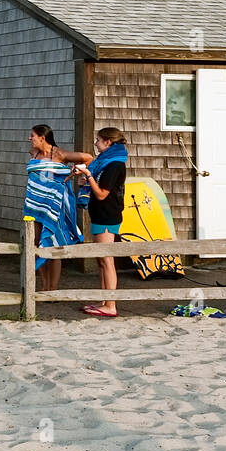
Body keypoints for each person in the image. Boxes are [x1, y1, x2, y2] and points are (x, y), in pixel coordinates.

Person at [62, 128, 129, 317]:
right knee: (101, 260)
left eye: (98, 140)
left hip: (108, 214)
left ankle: (111, 305)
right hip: (100, 213)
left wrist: (88, 176)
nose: (96, 144)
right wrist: (84, 176)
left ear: (108, 142)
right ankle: (104, 300)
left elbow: (101, 194)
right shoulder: (104, 162)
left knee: (107, 260)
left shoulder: (115, 164)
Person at [24, 124, 88, 292]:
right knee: (37, 244)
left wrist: (76, 173)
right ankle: (44, 286)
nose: (29, 139)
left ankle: (53, 288)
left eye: (32, 136)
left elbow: (88, 158)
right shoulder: (34, 153)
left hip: (54, 205)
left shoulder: (59, 154)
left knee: (53, 243)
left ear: (42, 138)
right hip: (35, 206)